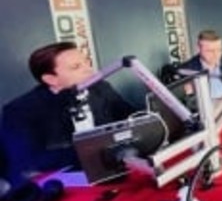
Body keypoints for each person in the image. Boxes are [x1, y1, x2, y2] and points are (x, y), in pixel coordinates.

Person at [0, 42, 134, 185]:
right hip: (65, 182)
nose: (89, 70)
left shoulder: (101, 88)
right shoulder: (20, 110)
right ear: (51, 79)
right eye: (76, 67)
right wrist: (95, 150)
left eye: (87, 62)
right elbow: (30, 159)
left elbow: (130, 118)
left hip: (114, 170)